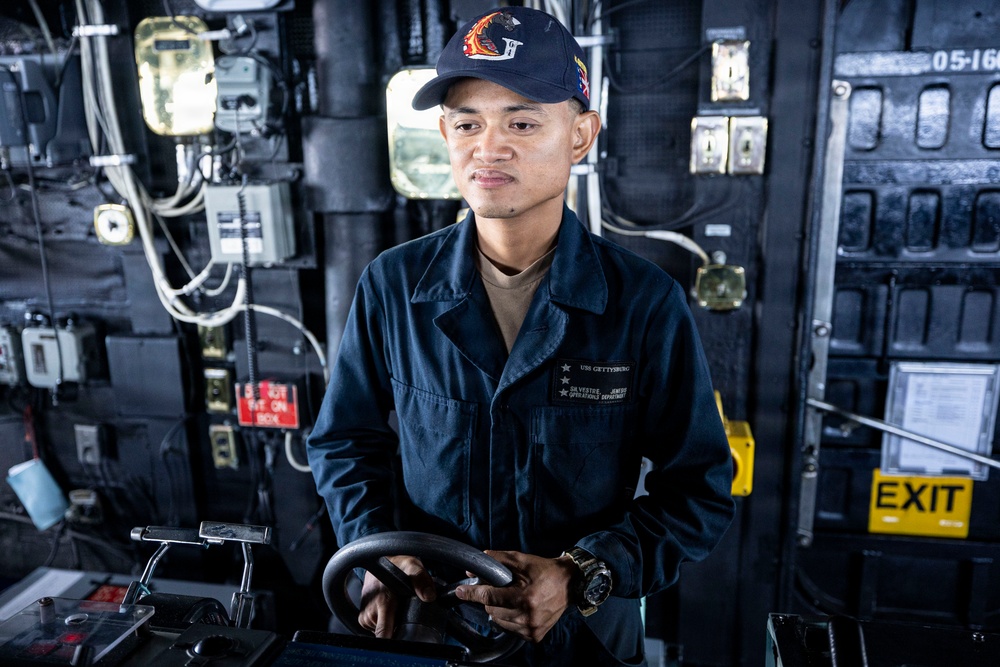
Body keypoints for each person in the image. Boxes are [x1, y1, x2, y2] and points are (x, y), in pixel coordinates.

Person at [306, 6, 735, 666]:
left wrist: (584, 572)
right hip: (434, 616)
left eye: (522, 122)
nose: (490, 146)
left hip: (584, 630)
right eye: (468, 123)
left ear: (581, 135)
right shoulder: (393, 286)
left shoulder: (643, 303)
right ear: (446, 134)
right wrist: (380, 551)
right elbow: (345, 440)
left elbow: (699, 489)